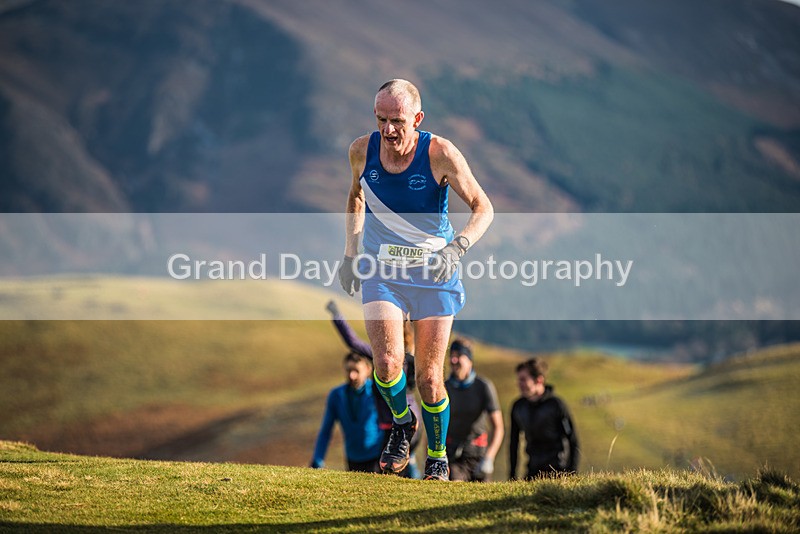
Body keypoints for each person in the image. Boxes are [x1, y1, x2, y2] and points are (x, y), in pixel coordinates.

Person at [338, 79, 493, 480]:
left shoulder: (440, 153)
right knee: (387, 365)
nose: (388, 130)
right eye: (381, 119)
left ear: (418, 119)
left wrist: (457, 248)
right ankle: (404, 424)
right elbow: (356, 196)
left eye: (398, 121)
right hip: (382, 270)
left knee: (428, 378)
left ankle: (437, 455)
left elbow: (483, 207)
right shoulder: (361, 150)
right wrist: (351, 254)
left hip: (434, 274)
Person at [325, 299, 422, 478]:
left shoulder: (386, 356)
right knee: (400, 466)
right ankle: (413, 469)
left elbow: (353, 342)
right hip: (411, 421)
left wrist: (337, 316)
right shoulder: (412, 357)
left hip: (397, 424)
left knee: (389, 469)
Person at [310, 352, 384, 473]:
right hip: (352, 459)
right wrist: (318, 459)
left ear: (368, 369)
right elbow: (325, 431)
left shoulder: (378, 393)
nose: (352, 375)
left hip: (377, 457)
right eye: (348, 370)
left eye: (356, 371)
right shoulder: (336, 395)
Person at [509, 358, 580, 480]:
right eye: (518, 379)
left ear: (539, 380)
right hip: (533, 471)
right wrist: (512, 476)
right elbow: (513, 443)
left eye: (523, 380)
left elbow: (573, 440)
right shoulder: (518, 407)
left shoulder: (556, 405)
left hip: (558, 471)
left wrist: (571, 474)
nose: (519, 384)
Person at [444, 337, 504, 481]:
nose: (453, 361)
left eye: (458, 356)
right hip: (454, 458)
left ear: (469, 360)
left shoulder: (483, 387)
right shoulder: (444, 388)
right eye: (451, 356)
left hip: (479, 457)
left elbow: (498, 427)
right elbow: (434, 425)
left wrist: (489, 458)